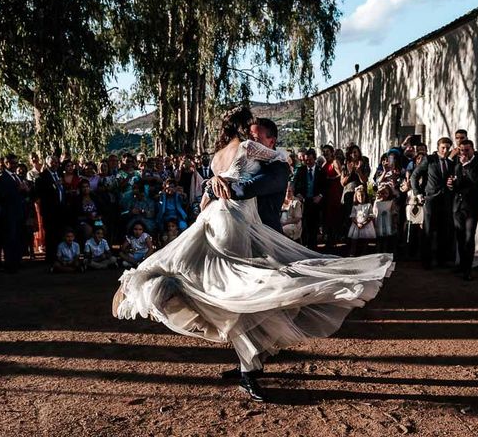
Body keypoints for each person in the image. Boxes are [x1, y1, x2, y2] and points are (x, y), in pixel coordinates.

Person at [112, 107, 393, 403]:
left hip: (218, 222)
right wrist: (238, 176)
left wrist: (214, 184)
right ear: (245, 127)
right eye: (251, 127)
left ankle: (249, 361)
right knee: (241, 292)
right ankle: (248, 370)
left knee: (232, 288)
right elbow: (270, 164)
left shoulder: (220, 155)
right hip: (236, 226)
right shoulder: (250, 149)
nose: (253, 133)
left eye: (258, 131)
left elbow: (226, 186)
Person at [207, 118, 290, 233]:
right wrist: (214, 180)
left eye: (256, 140)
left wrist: (214, 189)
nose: (251, 144)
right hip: (240, 231)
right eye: (249, 139)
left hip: (266, 236)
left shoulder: (279, 167)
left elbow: (245, 189)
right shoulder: (249, 162)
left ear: (272, 141)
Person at [410, 137, 455, 269]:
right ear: (438, 147)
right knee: (428, 230)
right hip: (430, 199)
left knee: (443, 231)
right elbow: (414, 176)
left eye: (448, 148)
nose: (445, 150)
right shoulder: (429, 159)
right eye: (443, 148)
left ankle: (441, 260)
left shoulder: (450, 163)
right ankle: (426, 261)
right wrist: (418, 193)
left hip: (446, 199)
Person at [447, 140, 478, 280]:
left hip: (471, 206)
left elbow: (476, 181)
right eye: (461, 150)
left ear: (472, 149)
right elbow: (457, 185)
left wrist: (466, 165)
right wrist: (451, 184)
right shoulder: (457, 165)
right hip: (457, 206)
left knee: (469, 238)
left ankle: (468, 270)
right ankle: (462, 265)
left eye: (467, 150)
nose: (463, 153)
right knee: (459, 237)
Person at [0, 153, 26, 273]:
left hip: (18, 211)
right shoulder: (1, 177)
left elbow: (21, 193)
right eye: (12, 163)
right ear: (6, 163)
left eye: (16, 163)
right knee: (10, 238)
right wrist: (17, 190)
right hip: (8, 213)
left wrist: (24, 190)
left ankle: (17, 261)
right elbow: (2, 195)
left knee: (18, 237)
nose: (14, 165)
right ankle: (10, 263)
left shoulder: (16, 176)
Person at [36, 155, 66, 268]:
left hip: (60, 209)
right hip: (49, 210)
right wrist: (54, 185)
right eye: (52, 162)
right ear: (47, 163)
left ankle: (59, 256)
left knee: (59, 233)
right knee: (50, 235)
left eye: (56, 162)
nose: (55, 164)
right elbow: (40, 192)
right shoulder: (42, 176)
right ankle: (50, 258)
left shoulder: (59, 174)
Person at [294, 148, 327, 249]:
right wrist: (298, 193)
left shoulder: (320, 171)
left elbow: (325, 186)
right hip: (304, 201)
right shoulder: (301, 170)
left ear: (315, 159)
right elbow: (295, 184)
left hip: (316, 201)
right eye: (306, 160)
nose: (308, 162)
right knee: (305, 224)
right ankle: (304, 246)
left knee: (314, 224)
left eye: (310, 159)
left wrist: (320, 196)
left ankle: (313, 246)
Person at [347, 185, 375, 256]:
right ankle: (352, 252)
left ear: (365, 196)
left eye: (362, 195)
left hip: (366, 225)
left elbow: (371, 216)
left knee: (366, 239)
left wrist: (364, 223)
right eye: (359, 196)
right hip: (357, 224)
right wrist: (357, 223)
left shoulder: (368, 205)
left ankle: (364, 252)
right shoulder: (355, 206)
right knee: (354, 239)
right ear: (356, 197)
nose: (361, 197)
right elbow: (353, 216)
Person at [373, 183, 397, 252]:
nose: (383, 195)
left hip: (388, 222)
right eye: (382, 193)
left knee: (386, 237)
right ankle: (378, 251)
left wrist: (394, 222)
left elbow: (393, 212)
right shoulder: (377, 202)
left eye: (386, 193)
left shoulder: (391, 202)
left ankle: (385, 250)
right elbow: (374, 212)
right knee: (379, 237)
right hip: (379, 221)